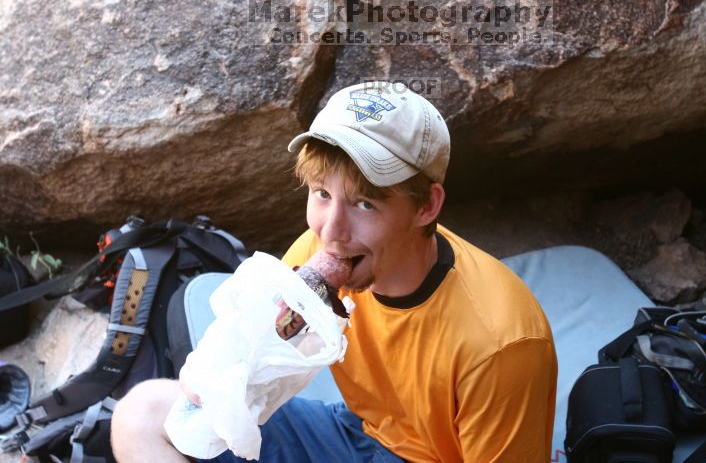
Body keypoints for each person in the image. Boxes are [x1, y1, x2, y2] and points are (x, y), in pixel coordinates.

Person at [110, 82, 557, 462]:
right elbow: (259, 349)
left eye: (366, 203)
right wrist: (216, 374)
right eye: (322, 193)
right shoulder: (316, 249)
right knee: (143, 413)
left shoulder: (501, 345)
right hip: (359, 437)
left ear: (426, 206)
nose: (332, 230)